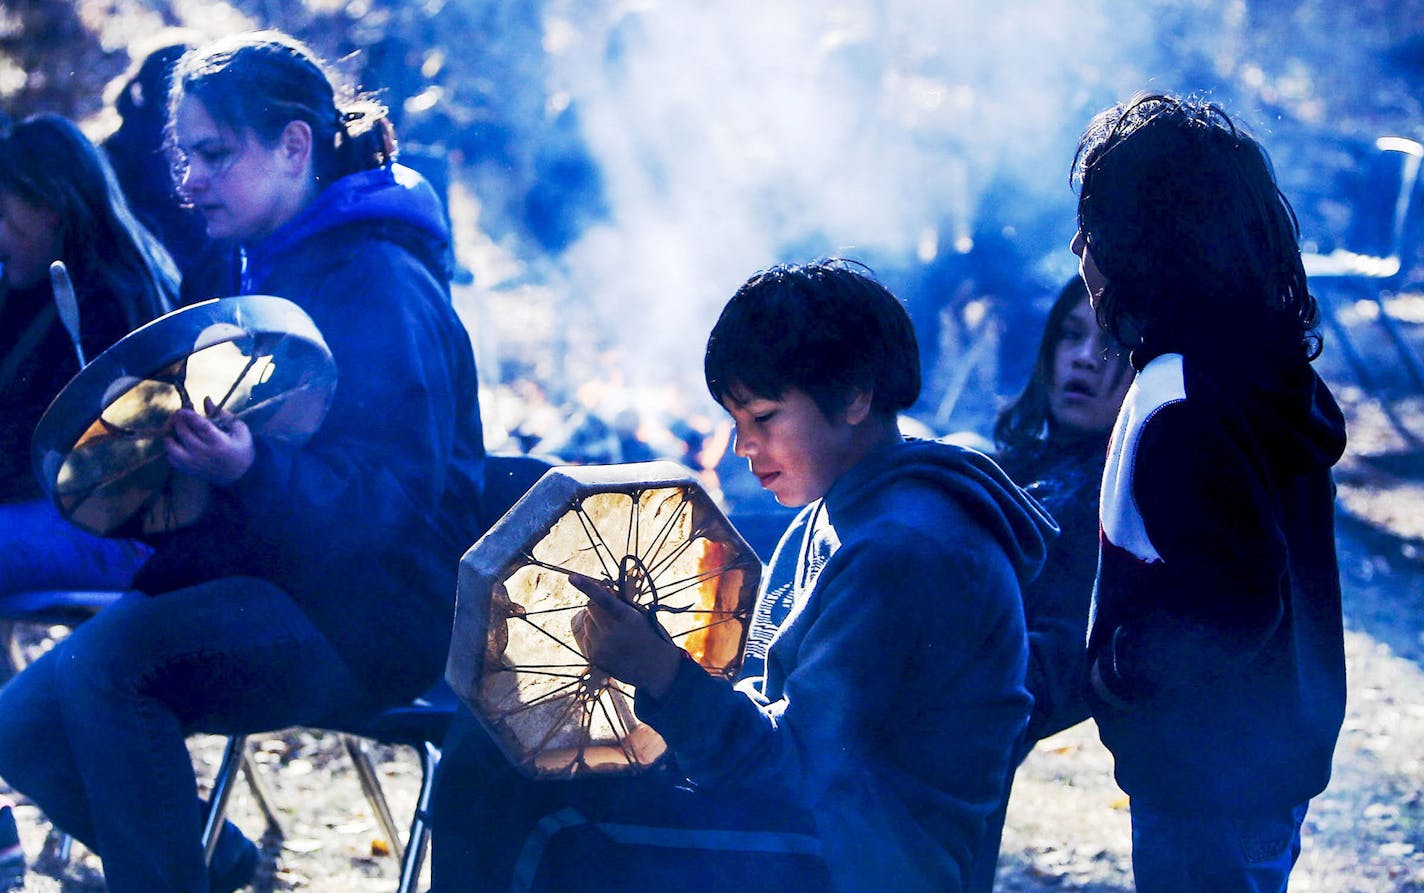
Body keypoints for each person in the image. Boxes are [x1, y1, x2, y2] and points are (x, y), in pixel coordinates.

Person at [0, 30, 487, 893]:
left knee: (112, 668)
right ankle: (213, 863)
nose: (188, 181)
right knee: (22, 723)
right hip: (275, 582)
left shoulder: (380, 278)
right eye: (184, 156)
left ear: (295, 145)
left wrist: (247, 473)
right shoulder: (254, 262)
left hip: (376, 615)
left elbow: (397, 506)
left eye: (212, 155)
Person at [430, 259, 1054, 893]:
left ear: (856, 395)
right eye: (736, 421)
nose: (742, 446)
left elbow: (802, 776)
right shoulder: (839, 508)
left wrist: (662, 674)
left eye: (763, 418)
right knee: (503, 745)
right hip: (818, 814)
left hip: (870, 855)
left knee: (530, 803)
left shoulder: (904, 551)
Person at [1071, 93, 1347, 892]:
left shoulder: (1180, 399)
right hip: (1265, 758)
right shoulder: (1261, 372)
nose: (1076, 249)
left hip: (1206, 774)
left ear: (1142, 248)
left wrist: (1119, 671)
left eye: (1091, 230)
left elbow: (1234, 602)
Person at [965, 275, 1133, 891]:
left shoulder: (1113, 496)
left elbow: (1065, 659)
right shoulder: (1023, 463)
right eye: (1071, 335)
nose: (1086, 357)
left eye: (1114, 345)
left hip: (969, 723)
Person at [0, 113, 177, 599]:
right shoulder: (25, 289)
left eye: (2, 216)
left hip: (115, 532)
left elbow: (60, 452)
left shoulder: (112, 302)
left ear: (48, 207)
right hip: (47, 516)